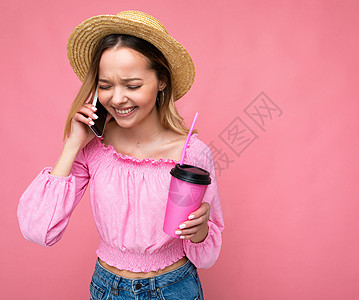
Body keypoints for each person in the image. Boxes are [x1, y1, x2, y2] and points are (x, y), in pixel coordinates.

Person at [17, 10, 224, 300]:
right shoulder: (95, 149)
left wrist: (200, 231)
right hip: (107, 288)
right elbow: (39, 229)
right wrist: (73, 144)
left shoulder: (191, 152)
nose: (117, 98)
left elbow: (206, 255)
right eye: (105, 86)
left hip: (175, 288)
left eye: (132, 85)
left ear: (161, 81)